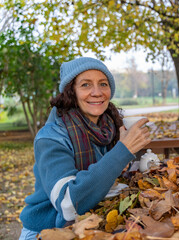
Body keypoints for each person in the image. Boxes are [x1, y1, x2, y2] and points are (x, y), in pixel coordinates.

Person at [18, 57, 151, 239]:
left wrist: (125, 159)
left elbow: (108, 176)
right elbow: (68, 204)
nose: (97, 92)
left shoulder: (110, 127)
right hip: (48, 231)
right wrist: (122, 151)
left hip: (94, 225)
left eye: (103, 84)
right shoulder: (51, 137)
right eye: (86, 85)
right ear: (71, 92)